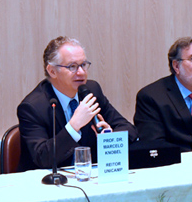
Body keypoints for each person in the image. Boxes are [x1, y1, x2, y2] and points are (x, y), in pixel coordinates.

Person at [16, 36, 136, 172]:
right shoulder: (33, 107)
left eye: (83, 65)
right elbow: (42, 157)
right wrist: (74, 126)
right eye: (72, 67)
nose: (81, 72)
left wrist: (110, 137)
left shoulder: (91, 90)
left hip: (90, 178)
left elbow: (128, 128)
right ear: (52, 71)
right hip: (48, 184)